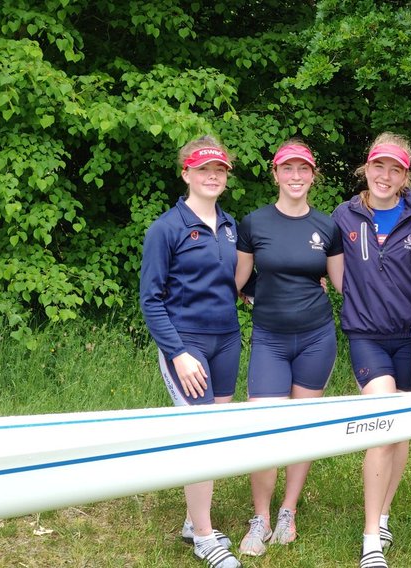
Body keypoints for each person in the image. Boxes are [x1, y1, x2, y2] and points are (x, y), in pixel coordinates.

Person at [332, 133, 411, 568]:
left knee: (400, 430)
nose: (385, 176)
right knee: (381, 421)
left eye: (395, 169)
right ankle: (370, 536)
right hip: (366, 336)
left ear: (405, 175)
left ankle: (385, 512)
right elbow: (322, 264)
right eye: (379, 166)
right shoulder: (345, 215)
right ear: (366, 167)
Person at [234, 140, 344, 557]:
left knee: (303, 427)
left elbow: (342, 284)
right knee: (264, 427)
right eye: (288, 169)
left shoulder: (326, 226)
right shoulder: (255, 222)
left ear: (313, 175)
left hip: (316, 338)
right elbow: (238, 277)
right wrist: (248, 296)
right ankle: (259, 517)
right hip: (270, 339)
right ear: (276, 174)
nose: (296, 176)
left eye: (304, 169)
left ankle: (287, 511)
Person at [140, 135, 243, 568]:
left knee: (215, 432)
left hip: (227, 339)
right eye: (203, 169)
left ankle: (192, 520)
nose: (212, 176)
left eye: (219, 170)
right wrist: (178, 353)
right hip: (188, 344)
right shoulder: (167, 228)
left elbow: (233, 281)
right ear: (186, 173)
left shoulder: (230, 224)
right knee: (201, 434)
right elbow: (150, 299)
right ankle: (203, 535)